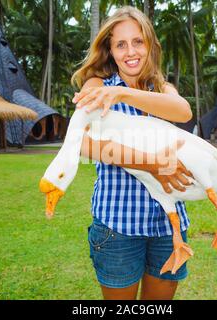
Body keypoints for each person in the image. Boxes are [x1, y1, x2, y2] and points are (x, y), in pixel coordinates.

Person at [71, 6, 194, 300]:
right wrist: (149, 164)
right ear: (110, 51)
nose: (130, 52)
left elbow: (183, 111)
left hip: (168, 224)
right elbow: (82, 143)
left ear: (150, 44)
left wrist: (123, 93)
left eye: (138, 41)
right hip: (118, 225)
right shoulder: (97, 86)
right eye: (120, 44)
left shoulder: (161, 88)